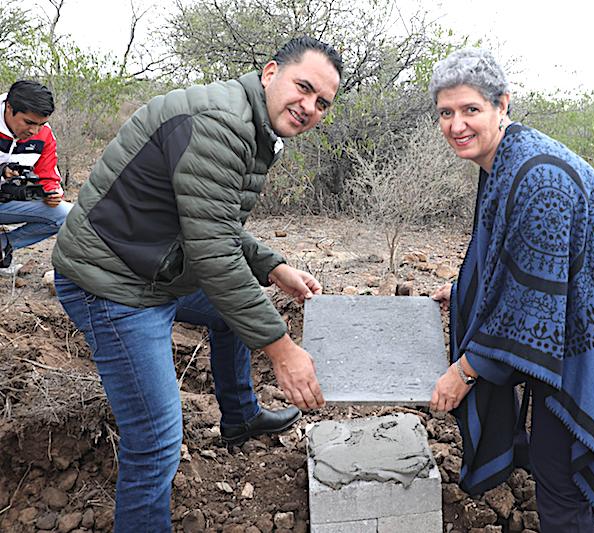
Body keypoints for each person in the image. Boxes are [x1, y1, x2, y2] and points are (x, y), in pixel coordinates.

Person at [52, 37, 342, 531]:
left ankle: (240, 416)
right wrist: (282, 349)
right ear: (271, 72)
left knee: (233, 316)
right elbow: (213, 252)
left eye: (322, 103)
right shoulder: (221, 124)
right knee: (157, 441)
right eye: (304, 87)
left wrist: (273, 267)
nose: (309, 107)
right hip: (112, 282)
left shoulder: (254, 123)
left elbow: (211, 221)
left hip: (154, 266)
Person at [428, 48, 594, 532]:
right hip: (573, 323)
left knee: (559, 472)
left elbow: (531, 307)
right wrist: (464, 289)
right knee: (551, 461)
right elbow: (516, 259)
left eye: (471, 110)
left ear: (501, 104)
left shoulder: (539, 179)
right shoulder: (503, 161)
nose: (457, 125)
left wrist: (464, 372)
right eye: (447, 112)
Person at [0, 80, 71, 275]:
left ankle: (2, 246)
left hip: (6, 201)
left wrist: (52, 192)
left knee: (67, 215)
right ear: (9, 108)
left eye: (41, 124)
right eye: (29, 123)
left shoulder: (44, 135)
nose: (34, 131)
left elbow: (48, 174)